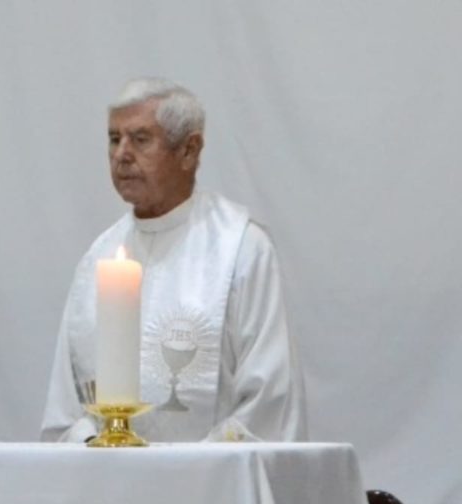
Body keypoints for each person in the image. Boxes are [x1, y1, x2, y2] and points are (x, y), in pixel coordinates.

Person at [41, 78, 307, 443]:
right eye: (114, 139)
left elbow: (268, 400)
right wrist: (94, 446)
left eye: (140, 139)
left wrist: (183, 472)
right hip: (110, 483)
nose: (121, 155)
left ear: (189, 151)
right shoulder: (99, 258)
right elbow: (67, 408)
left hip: (211, 486)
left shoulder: (240, 248)